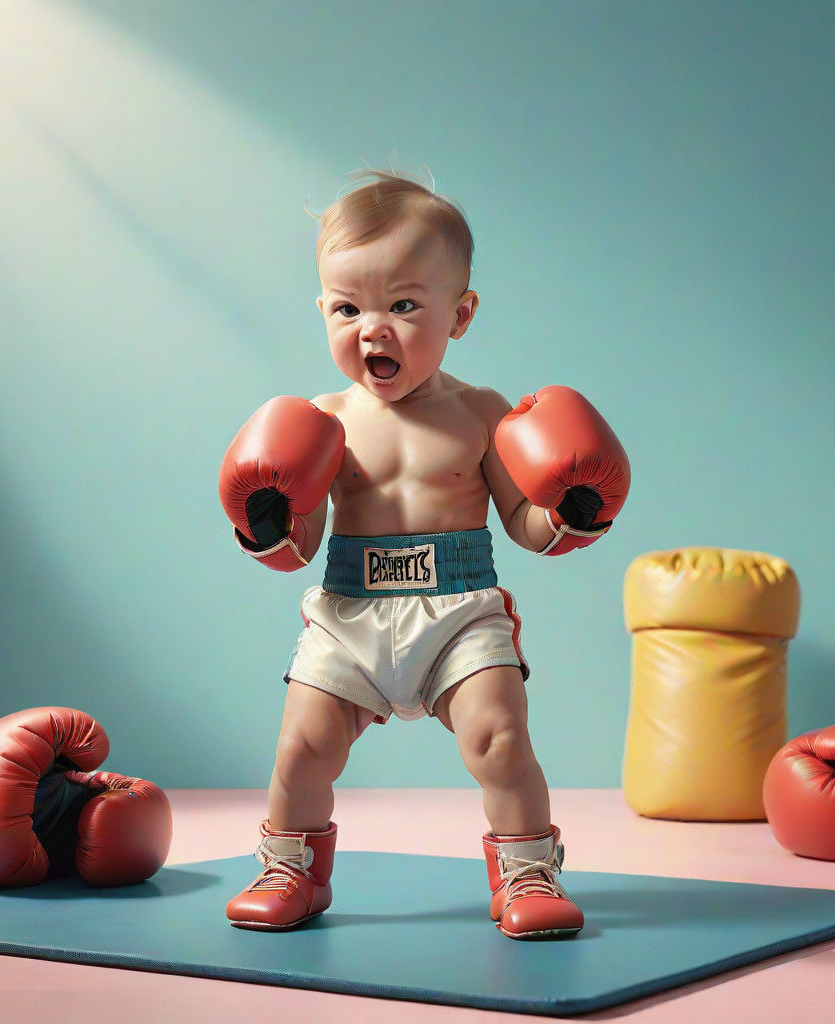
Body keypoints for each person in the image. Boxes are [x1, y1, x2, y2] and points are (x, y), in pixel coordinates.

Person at [218, 170, 630, 940]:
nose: (372, 328)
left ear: (461, 313)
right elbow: (300, 546)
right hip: (350, 610)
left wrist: (573, 511)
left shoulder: (482, 413)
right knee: (301, 746)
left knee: (500, 739)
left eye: (403, 305)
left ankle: (527, 872)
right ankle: (292, 869)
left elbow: (524, 526)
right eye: (348, 308)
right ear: (322, 311)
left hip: (460, 609)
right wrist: (267, 521)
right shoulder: (322, 422)